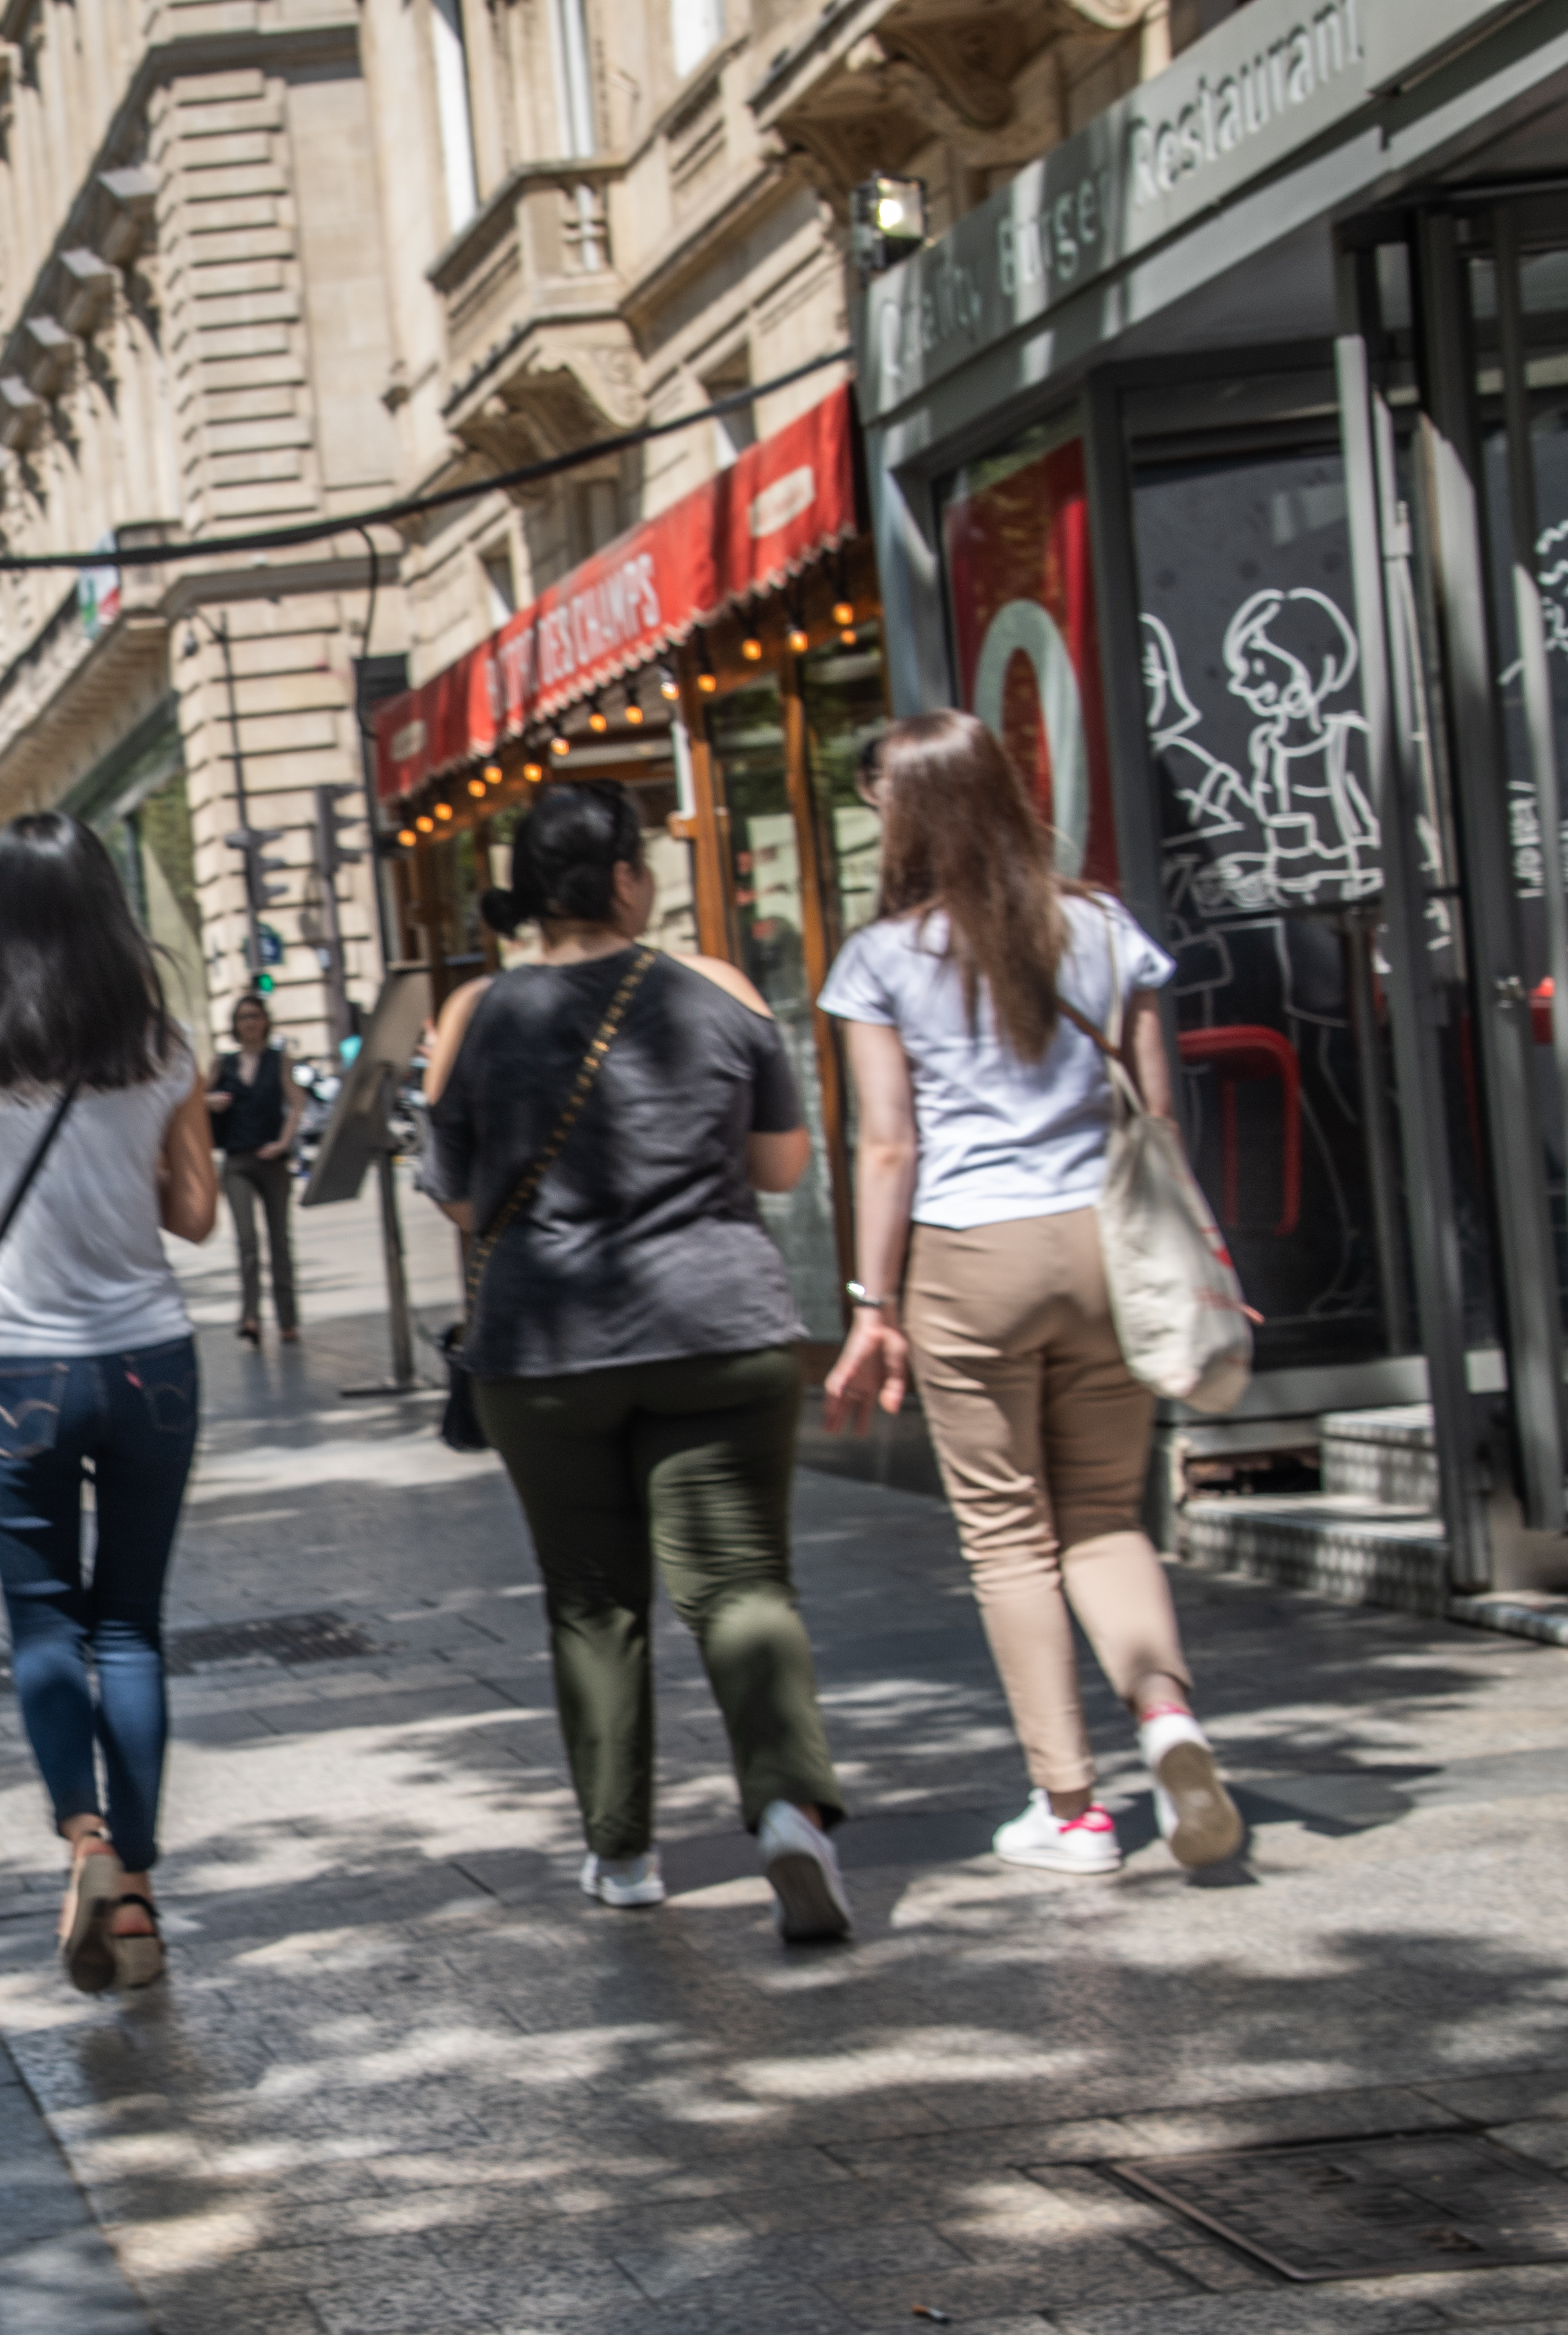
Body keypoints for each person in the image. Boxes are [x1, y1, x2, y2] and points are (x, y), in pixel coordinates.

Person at [421, 784, 854, 1941]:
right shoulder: (716, 990)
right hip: (718, 1328)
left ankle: (621, 1850)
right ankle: (784, 1813)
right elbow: (778, 1165)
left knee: (591, 1598)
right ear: (621, 879)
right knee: (742, 1584)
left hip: (546, 1347)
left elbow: (461, 1198)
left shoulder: (480, 1012)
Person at [820, 709, 1246, 1877]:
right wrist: (1202, 1267)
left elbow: (886, 1145)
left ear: (899, 816)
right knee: (1105, 1513)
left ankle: (1069, 1810)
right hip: (1106, 1247)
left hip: (971, 1257)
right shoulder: (1105, 925)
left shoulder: (883, 956)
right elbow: (1155, 1125)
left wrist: (870, 1300)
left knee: (1008, 1538)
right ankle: (1166, 1718)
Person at [0, 815, 219, 1992]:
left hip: (12, 1372)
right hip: (146, 1358)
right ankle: (135, 1889)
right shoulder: (158, 1043)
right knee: (129, 1625)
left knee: (43, 1624)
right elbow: (194, 1215)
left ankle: (82, 1837)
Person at [207, 995, 302, 1346]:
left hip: (272, 1161)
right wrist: (209, 1102)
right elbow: (195, 1102)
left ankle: (288, 1321)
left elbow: (296, 1105)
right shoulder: (223, 1064)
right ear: (235, 1024)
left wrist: (283, 1143)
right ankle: (250, 1317)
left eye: (256, 1016)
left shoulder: (279, 1061)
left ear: (265, 1020)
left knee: (280, 1241)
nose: (250, 1022)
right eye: (243, 1017)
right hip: (237, 1162)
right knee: (247, 1240)